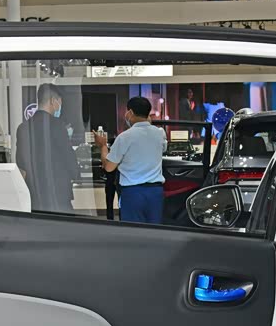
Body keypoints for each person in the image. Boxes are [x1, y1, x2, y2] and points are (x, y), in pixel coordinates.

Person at [94, 96, 167, 224]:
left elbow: (109, 167)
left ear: (130, 112)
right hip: (155, 192)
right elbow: (162, 148)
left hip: (132, 193)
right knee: (155, 231)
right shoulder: (160, 134)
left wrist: (103, 146)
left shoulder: (124, 137)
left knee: (133, 231)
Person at [15, 83, 80, 213]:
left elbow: (21, 163)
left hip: (34, 193)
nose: (59, 106)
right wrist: (76, 174)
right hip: (57, 193)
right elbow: (67, 155)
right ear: (52, 101)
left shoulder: (23, 128)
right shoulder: (57, 125)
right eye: (59, 102)